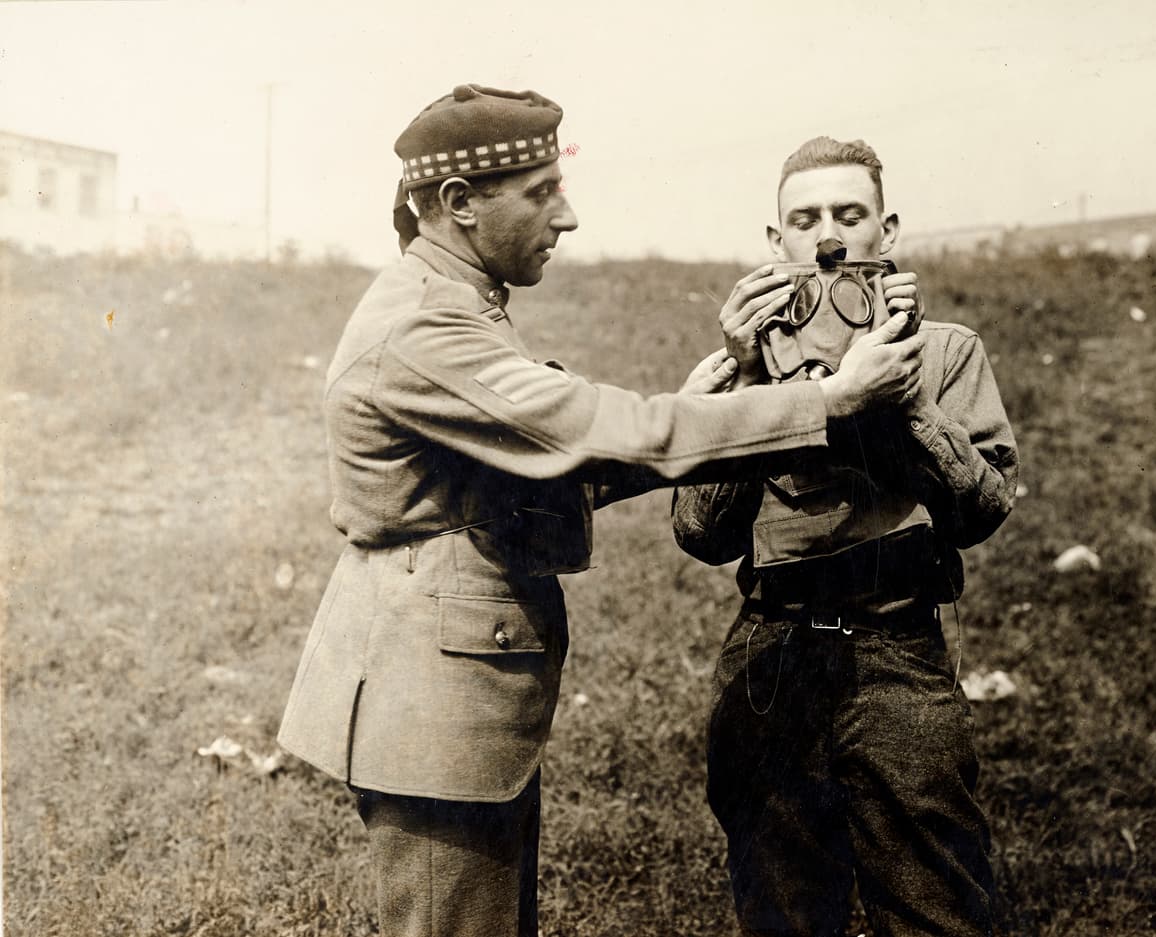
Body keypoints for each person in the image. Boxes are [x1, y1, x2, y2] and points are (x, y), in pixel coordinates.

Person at [275, 87, 909, 937]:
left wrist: (698, 411)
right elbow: (595, 430)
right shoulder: (427, 327)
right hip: (429, 709)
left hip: (442, 697)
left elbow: (547, 469)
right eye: (541, 192)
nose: (566, 216)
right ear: (459, 203)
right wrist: (828, 401)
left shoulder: (451, 302)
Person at [672, 136, 1020, 937]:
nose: (828, 237)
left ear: (886, 230)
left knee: (936, 904)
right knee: (783, 908)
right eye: (805, 219)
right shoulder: (744, 363)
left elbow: (982, 511)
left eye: (849, 214)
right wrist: (749, 380)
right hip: (773, 650)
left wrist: (905, 397)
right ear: (776, 242)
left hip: (897, 646)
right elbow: (700, 532)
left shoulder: (945, 350)